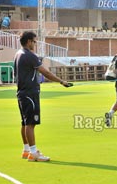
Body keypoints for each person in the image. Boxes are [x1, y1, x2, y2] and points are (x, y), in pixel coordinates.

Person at [14, 31, 71, 162]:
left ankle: (26, 150)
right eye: (34, 41)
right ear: (29, 41)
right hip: (29, 93)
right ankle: (34, 153)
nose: (35, 44)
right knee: (30, 123)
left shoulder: (18, 54)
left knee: (25, 123)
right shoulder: (29, 55)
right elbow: (45, 72)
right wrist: (61, 81)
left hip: (22, 92)